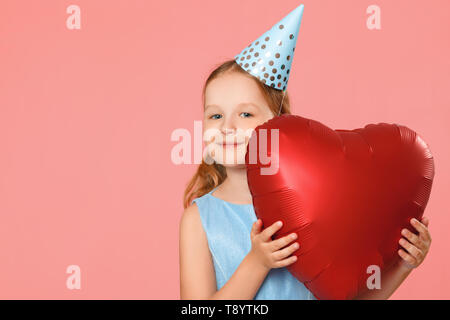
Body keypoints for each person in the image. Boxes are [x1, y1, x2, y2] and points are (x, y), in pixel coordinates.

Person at [178, 59, 432, 300]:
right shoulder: (198, 220)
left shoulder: (316, 201)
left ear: (278, 122)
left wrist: (402, 266)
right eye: (215, 116)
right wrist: (257, 263)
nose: (227, 127)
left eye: (245, 114)